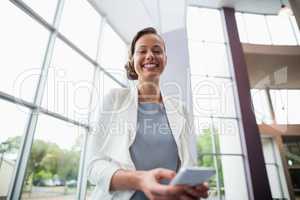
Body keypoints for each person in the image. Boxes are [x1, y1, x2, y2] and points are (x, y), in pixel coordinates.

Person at [87, 27, 209, 200]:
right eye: (142, 51)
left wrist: (191, 186)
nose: (150, 55)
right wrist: (140, 180)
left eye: (157, 50)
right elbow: (93, 166)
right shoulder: (114, 100)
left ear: (165, 59)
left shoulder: (181, 109)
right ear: (132, 60)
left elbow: (187, 164)